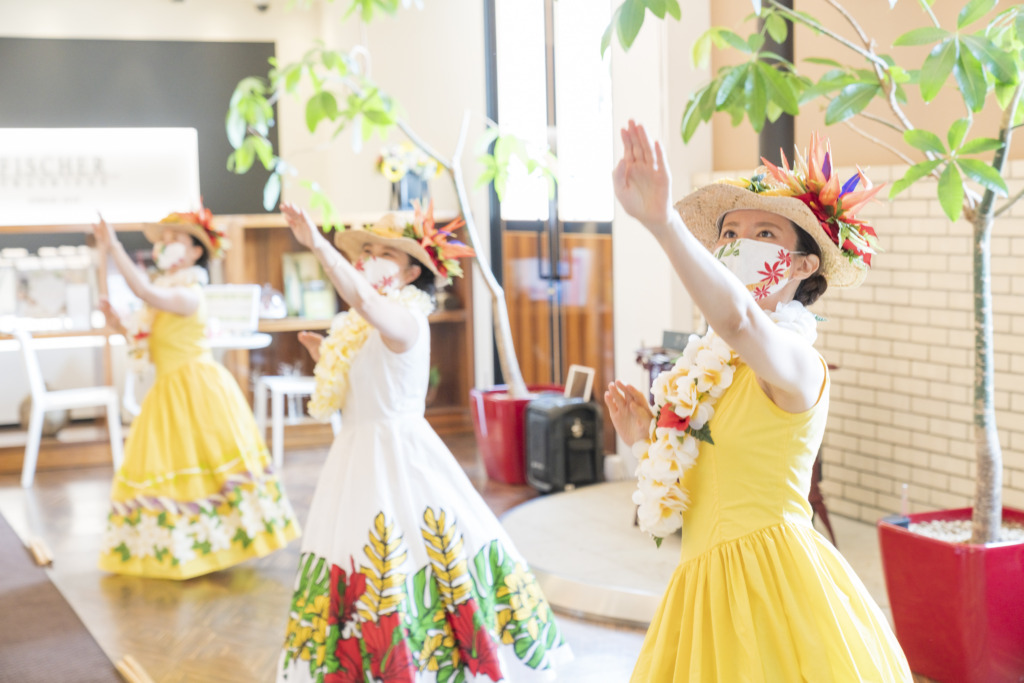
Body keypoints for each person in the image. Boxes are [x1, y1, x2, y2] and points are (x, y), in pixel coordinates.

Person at [606, 121, 912, 681]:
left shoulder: (795, 361)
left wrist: (661, 222)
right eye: (731, 232)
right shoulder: (709, 371)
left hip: (774, 590)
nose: (741, 245)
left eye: (765, 234)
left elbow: (741, 318)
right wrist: (647, 439)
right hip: (701, 593)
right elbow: (712, 481)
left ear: (803, 266)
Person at [275, 201, 570, 683]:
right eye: (365, 250)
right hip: (354, 458)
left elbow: (367, 305)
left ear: (414, 270)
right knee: (361, 555)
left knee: (412, 554)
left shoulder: (404, 319)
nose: (368, 258)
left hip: (399, 455)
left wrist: (318, 246)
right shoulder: (360, 327)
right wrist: (327, 355)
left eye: (383, 252)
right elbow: (366, 375)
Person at [94, 207, 300, 579]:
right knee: (171, 468)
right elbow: (144, 330)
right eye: (164, 240)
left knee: (208, 468)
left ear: (195, 253)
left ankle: (221, 544)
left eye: (176, 240)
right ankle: (182, 547)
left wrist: (113, 247)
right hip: (168, 391)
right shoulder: (165, 296)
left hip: (197, 388)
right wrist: (116, 319)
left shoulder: (189, 294)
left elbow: (142, 289)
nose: (166, 246)